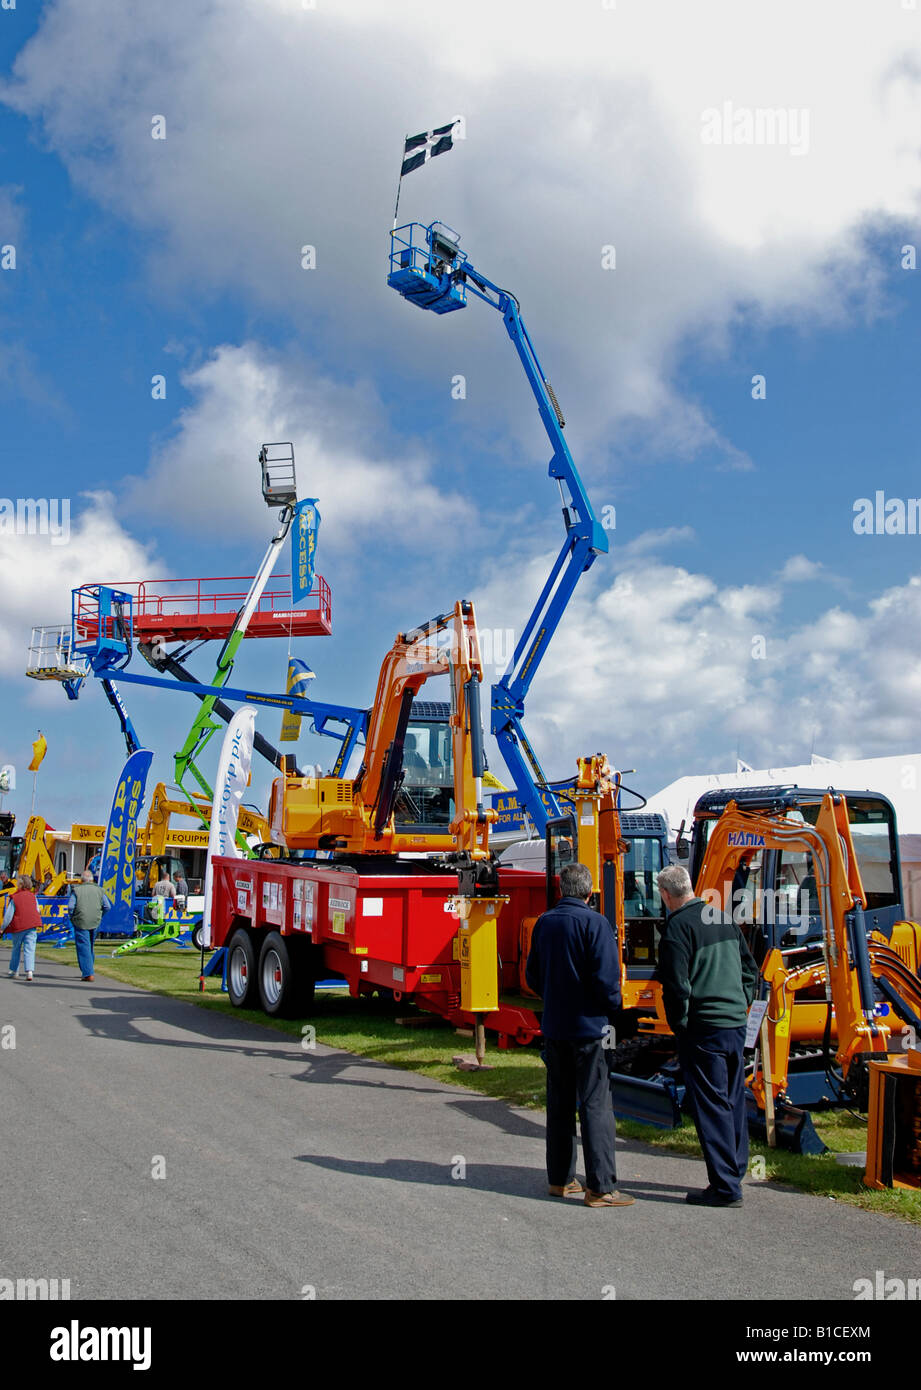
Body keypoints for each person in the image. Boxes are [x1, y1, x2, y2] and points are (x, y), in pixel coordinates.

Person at [525, 861, 634, 1208]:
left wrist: (554, 997)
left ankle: (560, 1178)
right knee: (596, 1104)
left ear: (560, 888)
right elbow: (606, 980)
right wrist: (613, 1007)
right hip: (591, 1026)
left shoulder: (544, 923)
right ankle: (601, 1187)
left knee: (558, 1103)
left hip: (556, 1025)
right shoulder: (596, 923)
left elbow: (532, 975)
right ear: (589, 892)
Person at [656, 863, 758, 1208]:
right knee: (732, 1099)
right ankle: (734, 1170)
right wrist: (740, 1004)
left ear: (665, 894)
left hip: (703, 1028)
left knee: (711, 1106)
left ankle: (726, 1186)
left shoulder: (676, 928)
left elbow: (677, 986)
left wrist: (680, 1024)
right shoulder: (722, 918)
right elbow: (750, 971)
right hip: (733, 1024)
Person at [68, 869, 112, 983]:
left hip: (81, 920)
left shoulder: (76, 890)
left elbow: (70, 907)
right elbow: (107, 906)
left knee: (83, 947)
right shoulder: (99, 890)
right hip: (95, 921)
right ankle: (89, 968)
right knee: (90, 946)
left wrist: (72, 917)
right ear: (92, 879)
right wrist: (100, 915)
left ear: (81, 880)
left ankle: (88, 973)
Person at [3, 874, 42, 981]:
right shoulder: (33, 896)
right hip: (32, 925)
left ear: (20, 884)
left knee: (16, 948)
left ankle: (14, 970)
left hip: (19, 926)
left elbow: (9, 915)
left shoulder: (15, 897)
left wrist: (2, 928)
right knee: (30, 949)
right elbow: (38, 910)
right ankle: (29, 972)